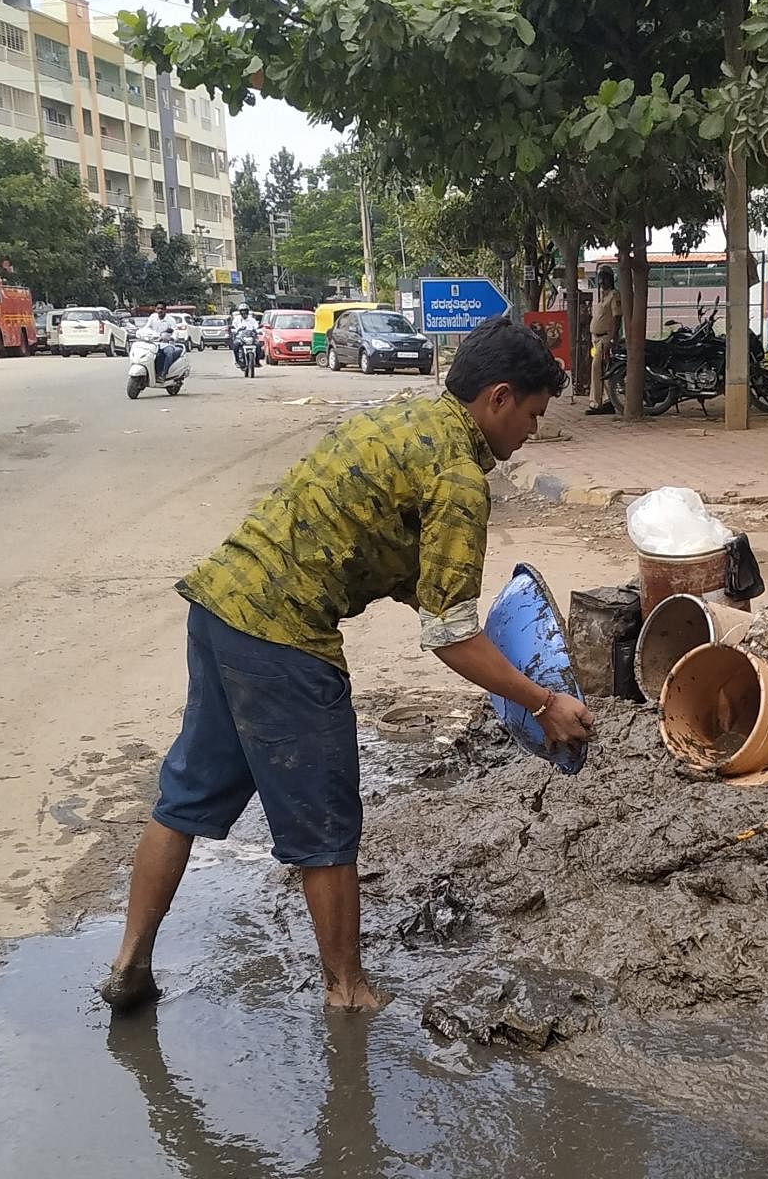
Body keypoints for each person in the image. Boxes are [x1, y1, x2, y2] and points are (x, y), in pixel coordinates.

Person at [100, 317, 594, 1015]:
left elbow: (390, 557)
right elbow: (450, 633)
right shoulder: (457, 474)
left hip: (219, 603)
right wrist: (542, 702)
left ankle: (130, 964)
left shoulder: (402, 416)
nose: (531, 436)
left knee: (185, 796)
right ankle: (347, 990)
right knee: (326, 823)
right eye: (534, 416)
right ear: (499, 398)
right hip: (282, 637)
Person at [586, 266, 622, 415]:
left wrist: (611, 339)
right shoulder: (603, 296)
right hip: (596, 338)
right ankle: (608, 401)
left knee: (596, 368)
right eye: (600, 278)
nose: (602, 282)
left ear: (610, 279)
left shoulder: (614, 295)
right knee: (602, 369)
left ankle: (597, 403)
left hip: (605, 338)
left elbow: (617, 318)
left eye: (605, 278)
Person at [145, 302, 180, 379]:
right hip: (153, 343)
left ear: (165, 310)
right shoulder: (152, 317)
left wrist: (171, 338)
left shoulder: (170, 320)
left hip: (166, 344)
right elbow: (146, 328)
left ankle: (163, 374)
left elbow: (175, 331)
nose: (160, 310)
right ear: (155, 309)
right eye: (158, 308)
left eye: (162, 309)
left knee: (169, 353)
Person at [230, 303, 261, 370]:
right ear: (240, 312)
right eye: (242, 311)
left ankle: (257, 361)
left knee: (258, 345)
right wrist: (237, 330)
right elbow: (233, 328)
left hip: (251, 337)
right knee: (235, 345)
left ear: (247, 311)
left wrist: (258, 331)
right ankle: (238, 361)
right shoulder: (237, 319)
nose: (244, 312)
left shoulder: (252, 319)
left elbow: (256, 327)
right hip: (240, 337)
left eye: (245, 311)